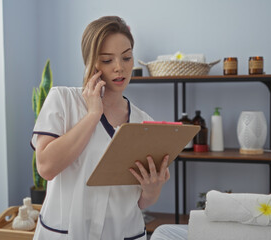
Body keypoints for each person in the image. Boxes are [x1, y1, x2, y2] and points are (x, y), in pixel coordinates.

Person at [31, 16, 170, 240]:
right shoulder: (62, 100)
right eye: (107, 60)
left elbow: (141, 201)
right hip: (66, 233)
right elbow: (46, 167)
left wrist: (152, 188)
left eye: (126, 57)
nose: (119, 67)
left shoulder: (144, 123)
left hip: (123, 233)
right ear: (91, 63)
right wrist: (93, 115)